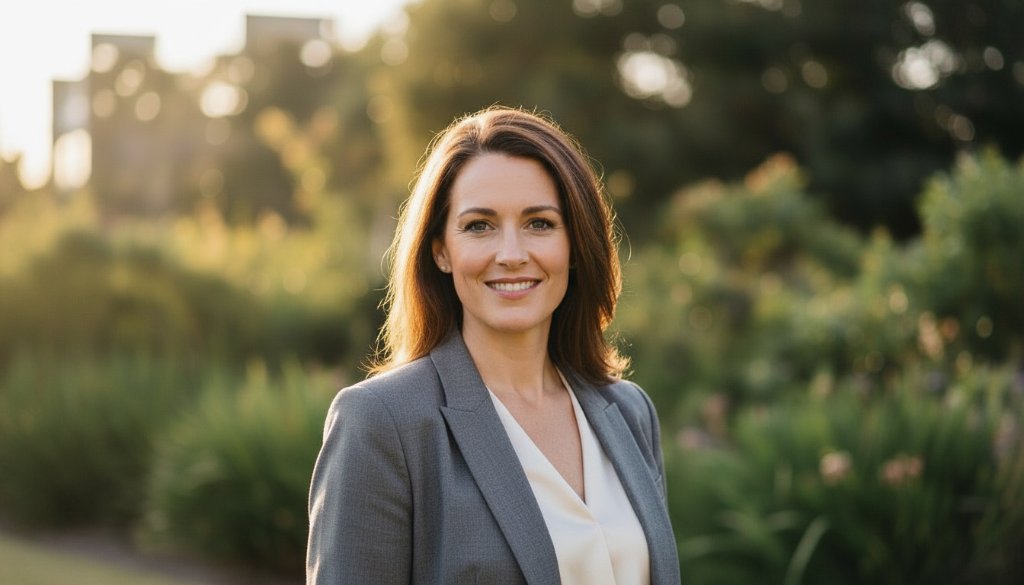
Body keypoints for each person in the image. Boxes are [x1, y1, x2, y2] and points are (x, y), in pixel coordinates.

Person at [306, 106, 680, 585]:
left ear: (575, 244)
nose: (511, 254)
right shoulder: (383, 422)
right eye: (479, 225)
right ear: (441, 249)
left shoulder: (629, 412)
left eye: (539, 223)